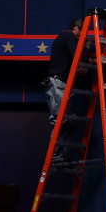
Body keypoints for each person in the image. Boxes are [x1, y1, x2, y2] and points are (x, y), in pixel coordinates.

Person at [44, 18, 88, 163]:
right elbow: (76, 57)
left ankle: (63, 158)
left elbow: (74, 65)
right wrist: (88, 56)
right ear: (76, 29)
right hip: (57, 83)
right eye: (81, 34)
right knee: (60, 120)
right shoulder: (68, 36)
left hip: (61, 83)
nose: (81, 38)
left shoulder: (65, 39)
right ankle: (56, 157)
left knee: (68, 121)